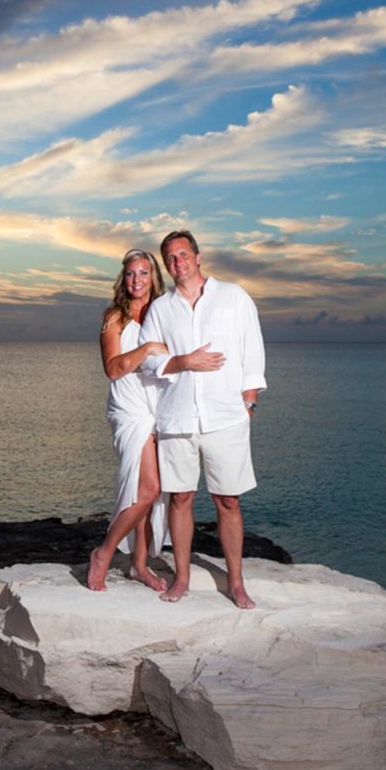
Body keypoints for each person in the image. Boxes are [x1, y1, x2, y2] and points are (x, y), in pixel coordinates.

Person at [139, 230, 266, 609]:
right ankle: (182, 578)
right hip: (176, 417)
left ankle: (237, 584)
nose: (177, 262)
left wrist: (249, 404)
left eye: (182, 254)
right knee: (180, 497)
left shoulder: (233, 296)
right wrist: (183, 361)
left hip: (226, 417)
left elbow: (252, 349)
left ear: (197, 256)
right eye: (170, 258)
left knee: (228, 500)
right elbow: (147, 361)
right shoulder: (161, 308)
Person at [87, 249, 170, 592]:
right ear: (124, 278)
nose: (137, 280)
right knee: (148, 489)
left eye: (144, 273)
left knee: (150, 493)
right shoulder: (115, 317)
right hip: (129, 409)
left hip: (160, 406)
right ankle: (104, 554)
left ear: (154, 278)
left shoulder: (164, 312)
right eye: (131, 274)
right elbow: (113, 368)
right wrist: (148, 348)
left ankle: (139, 565)